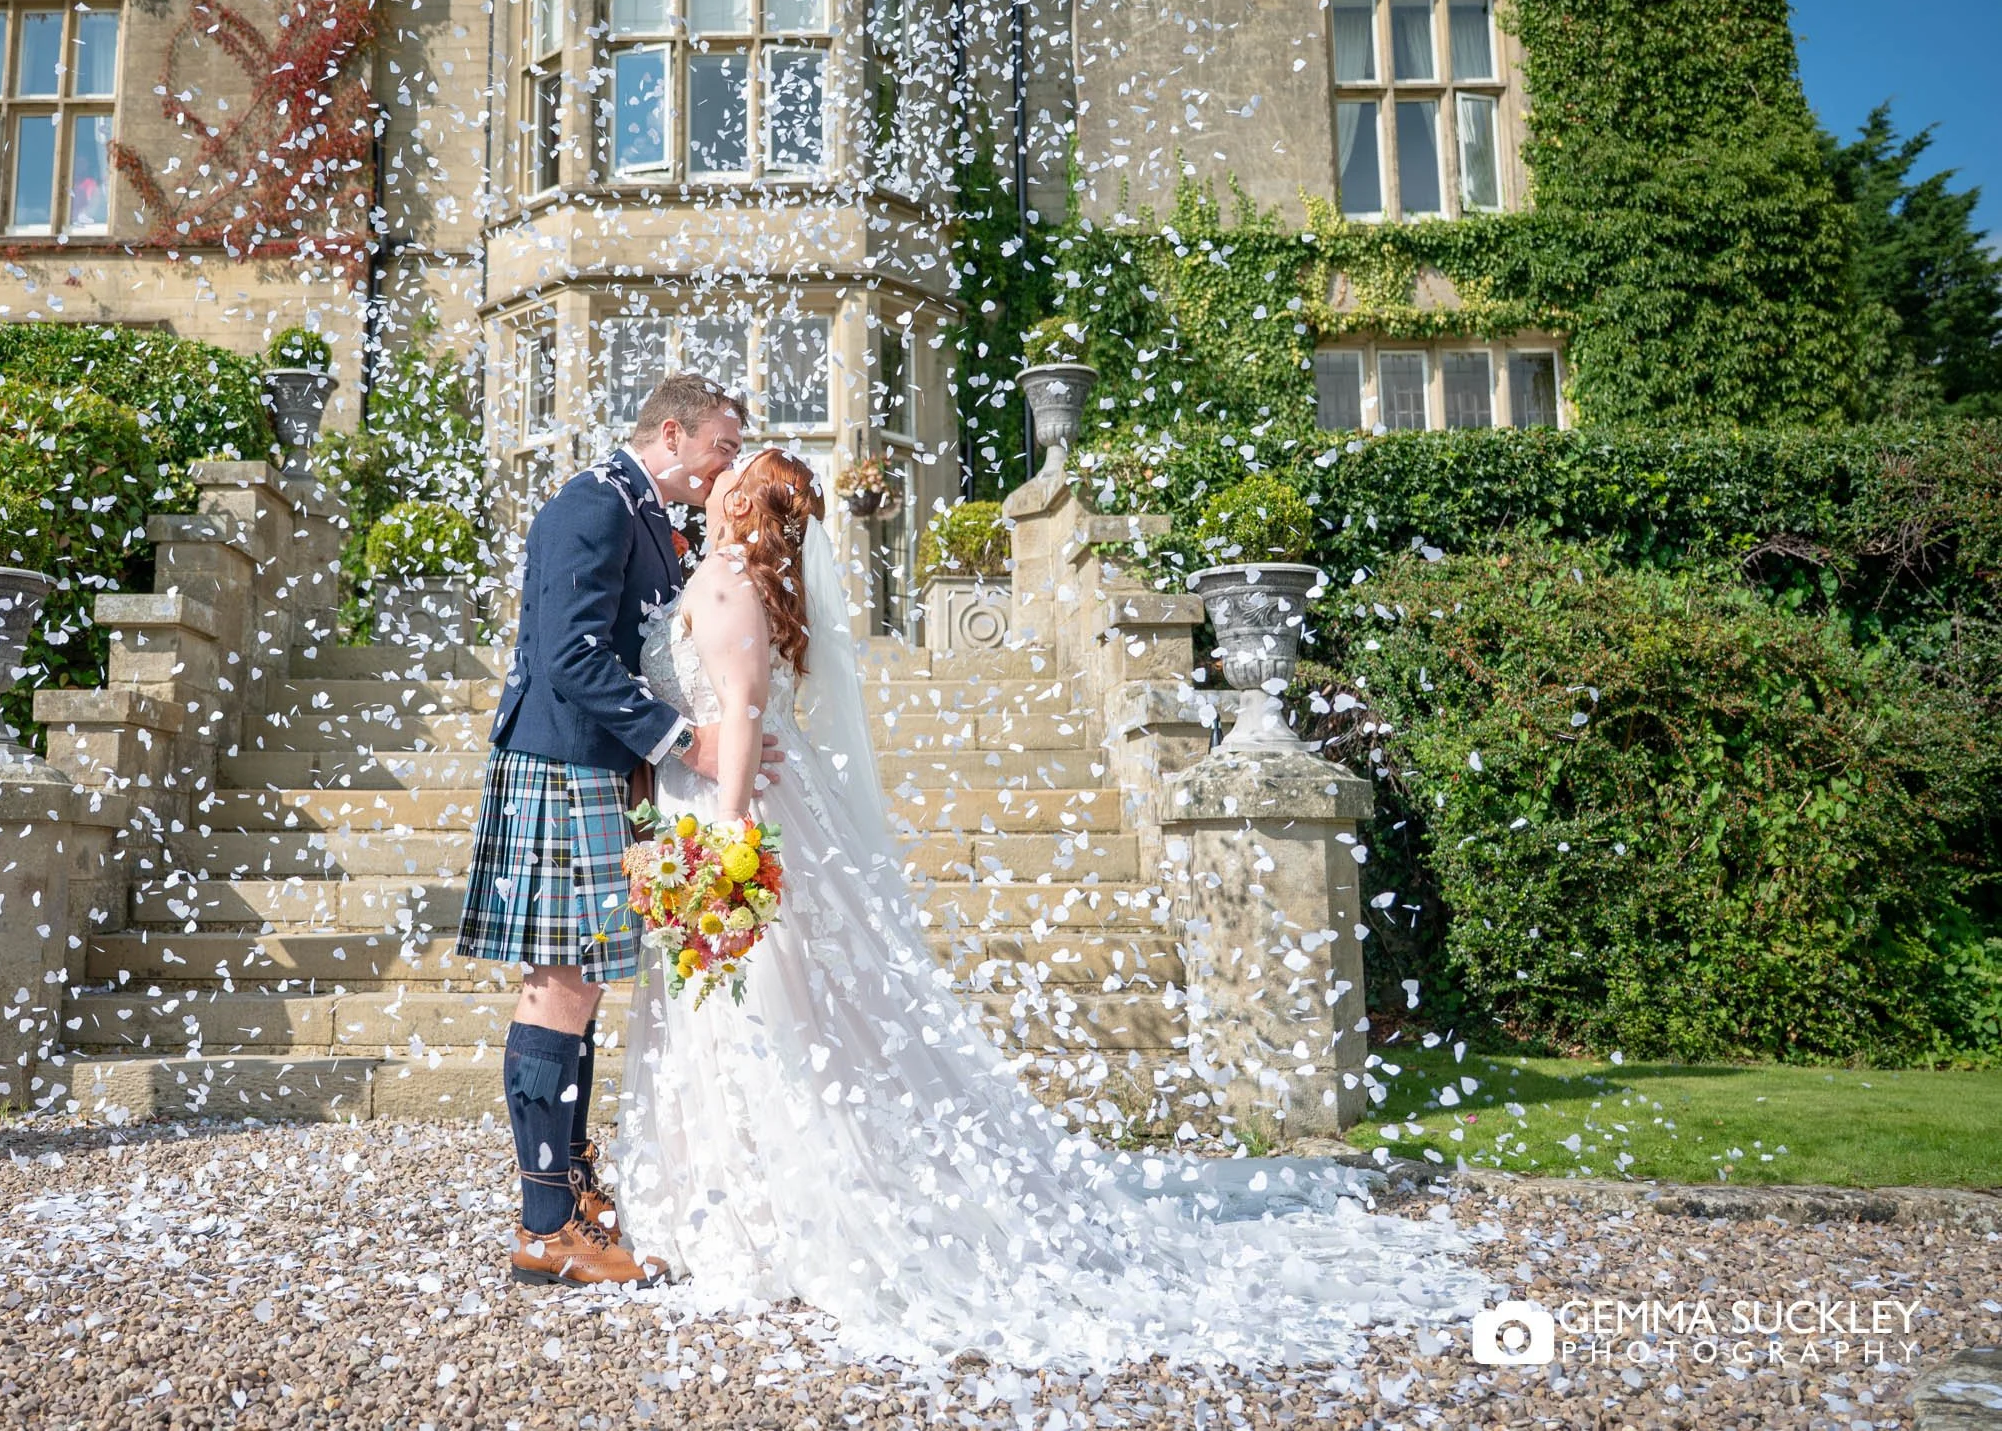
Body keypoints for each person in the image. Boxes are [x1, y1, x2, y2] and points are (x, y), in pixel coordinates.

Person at [610, 448, 1483, 1370]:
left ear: (746, 505)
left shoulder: (733, 586)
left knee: (765, 1006)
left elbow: (742, 712)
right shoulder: (724, 576)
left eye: (728, 484)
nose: (710, 489)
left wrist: (732, 839)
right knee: (750, 1008)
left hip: (731, 815)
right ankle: (736, 1193)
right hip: (700, 811)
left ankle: (769, 1211)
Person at [456, 373, 777, 1288]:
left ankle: (569, 1183)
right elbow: (568, 656)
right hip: (562, 764)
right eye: (721, 442)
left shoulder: (644, 515)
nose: (727, 462)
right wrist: (691, 744)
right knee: (562, 985)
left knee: (586, 980)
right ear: (669, 434)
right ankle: (543, 1227)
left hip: (599, 767)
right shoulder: (591, 506)